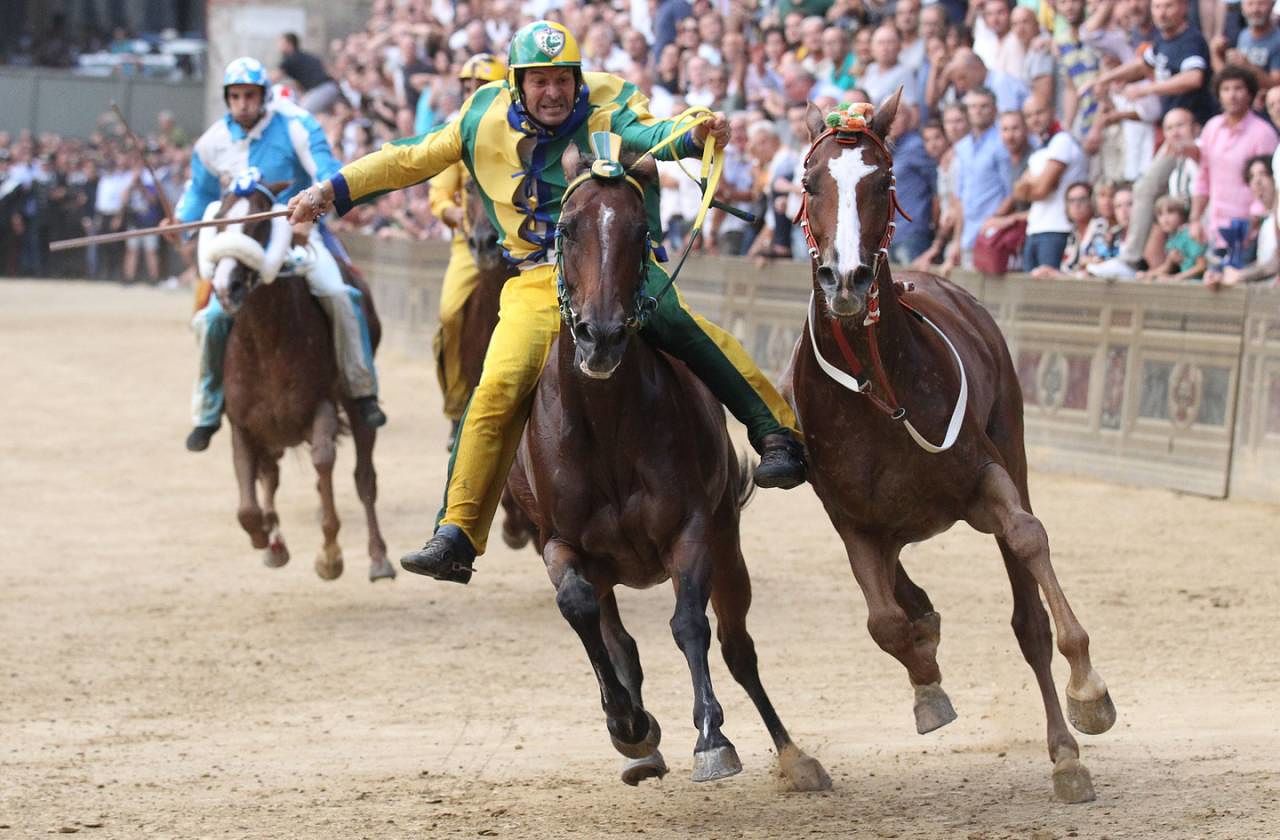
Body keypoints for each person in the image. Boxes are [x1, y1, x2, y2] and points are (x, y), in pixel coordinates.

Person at [289, 21, 807, 585]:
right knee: (495, 387)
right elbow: (407, 158)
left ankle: (775, 433)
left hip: (614, 265)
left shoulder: (607, 102)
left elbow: (655, 133)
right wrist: (328, 191)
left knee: (687, 329)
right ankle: (458, 531)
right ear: (518, 84)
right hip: (537, 280)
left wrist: (698, 129)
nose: (554, 92)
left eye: (563, 79)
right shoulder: (477, 118)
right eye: (539, 81)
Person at [171, 57, 387, 453]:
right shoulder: (211, 142)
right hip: (240, 245)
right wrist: (181, 224)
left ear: (264, 96)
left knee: (341, 295)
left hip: (299, 236)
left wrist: (317, 203)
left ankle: (361, 389)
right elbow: (198, 195)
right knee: (210, 317)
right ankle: (208, 408)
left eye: (250, 96)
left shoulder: (297, 124)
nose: (243, 104)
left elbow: (328, 170)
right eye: (235, 97)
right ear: (227, 99)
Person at [428, 54, 509, 450]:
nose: (470, 95)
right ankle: (458, 406)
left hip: (519, 242)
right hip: (468, 243)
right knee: (449, 312)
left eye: (479, 88)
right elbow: (440, 194)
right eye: (465, 88)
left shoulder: (518, 133)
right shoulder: (454, 134)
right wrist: (455, 212)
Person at [1016, 94, 1090, 271]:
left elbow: (1041, 190)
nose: (1034, 119)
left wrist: (1032, 184)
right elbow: (1018, 192)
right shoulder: (1041, 147)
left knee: (1046, 293)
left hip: (1057, 228)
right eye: (1028, 115)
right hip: (1035, 228)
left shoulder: (1062, 141)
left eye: (1039, 112)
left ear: (1052, 111)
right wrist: (1034, 185)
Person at [1138, 194, 1207, 281]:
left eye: (1170, 212)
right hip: (1187, 281)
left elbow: (1201, 266)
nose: (1165, 219)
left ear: (1182, 215)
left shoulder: (1190, 235)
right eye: (1160, 214)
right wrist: (1148, 274)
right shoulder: (1173, 240)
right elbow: (1167, 267)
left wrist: (1177, 277)